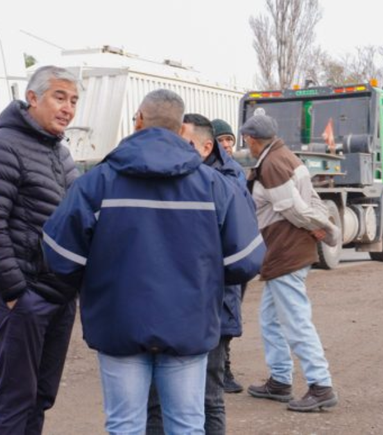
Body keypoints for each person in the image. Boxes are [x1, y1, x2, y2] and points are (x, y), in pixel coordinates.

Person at [41, 89, 265, 434]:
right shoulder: (215, 186)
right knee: (187, 425)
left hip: (118, 325)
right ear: (179, 130)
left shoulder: (96, 183)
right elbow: (246, 260)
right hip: (189, 325)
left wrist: (95, 283)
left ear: (138, 121)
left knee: (126, 426)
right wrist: (204, 279)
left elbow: (59, 255)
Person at [0, 65, 80, 434]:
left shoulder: (61, 153)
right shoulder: (1, 147)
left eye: (74, 100)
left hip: (58, 295)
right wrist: (16, 293)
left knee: (41, 396)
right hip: (23, 296)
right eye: (59, 97)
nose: (68, 108)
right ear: (32, 98)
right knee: (16, 398)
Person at [146, 113, 252, 435]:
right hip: (171, 306)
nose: (180, 149)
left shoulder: (228, 180)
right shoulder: (175, 174)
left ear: (207, 147)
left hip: (214, 307)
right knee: (158, 399)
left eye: (187, 143)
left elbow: (242, 254)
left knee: (208, 397)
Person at [241, 114, 340, 412]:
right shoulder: (287, 157)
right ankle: (280, 381)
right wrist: (319, 225)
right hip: (284, 252)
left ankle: (321, 386)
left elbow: (293, 208)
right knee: (271, 320)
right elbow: (311, 199)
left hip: (286, 251)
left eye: (246, 139)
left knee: (296, 321)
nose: (246, 144)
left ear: (252, 139)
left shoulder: (271, 165)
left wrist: (321, 229)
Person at [211, 118, 246, 395]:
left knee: (230, 311)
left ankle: (224, 369)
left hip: (233, 252)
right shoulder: (205, 170)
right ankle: (220, 372)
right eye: (222, 140)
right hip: (214, 254)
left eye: (230, 140)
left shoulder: (235, 170)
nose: (227, 145)